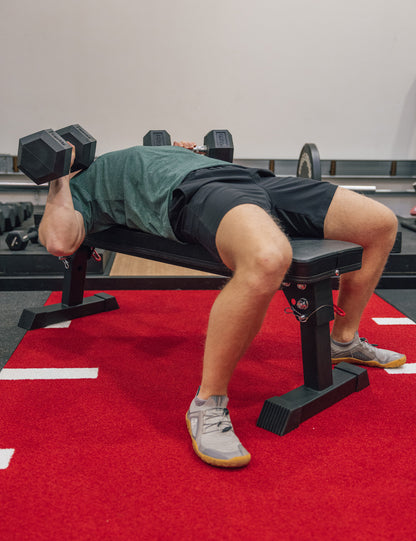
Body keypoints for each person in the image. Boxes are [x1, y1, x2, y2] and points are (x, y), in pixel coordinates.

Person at [38, 140, 406, 469]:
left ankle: (341, 341)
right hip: (194, 192)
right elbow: (58, 240)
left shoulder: (137, 150)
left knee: (380, 223)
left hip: (250, 179)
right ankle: (207, 403)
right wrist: (60, 178)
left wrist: (184, 150)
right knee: (267, 258)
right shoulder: (79, 188)